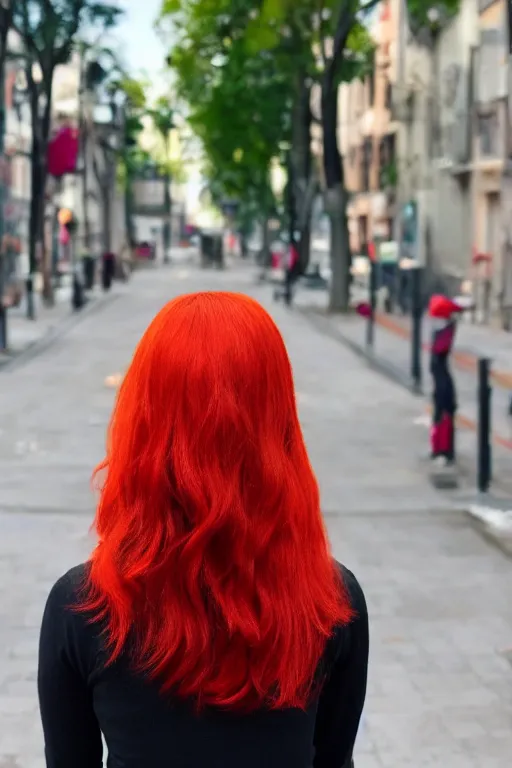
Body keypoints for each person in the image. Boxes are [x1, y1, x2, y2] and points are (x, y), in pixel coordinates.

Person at [38, 292, 369, 768]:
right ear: (277, 421)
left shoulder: (83, 607)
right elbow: (333, 759)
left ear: (145, 421)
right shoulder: (332, 603)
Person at [428, 294, 462, 465]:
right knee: (442, 412)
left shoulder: (442, 331)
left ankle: (442, 449)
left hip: (441, 379)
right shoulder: (443, 331)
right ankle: (441, 449)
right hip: (441, 379)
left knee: (442, 412)